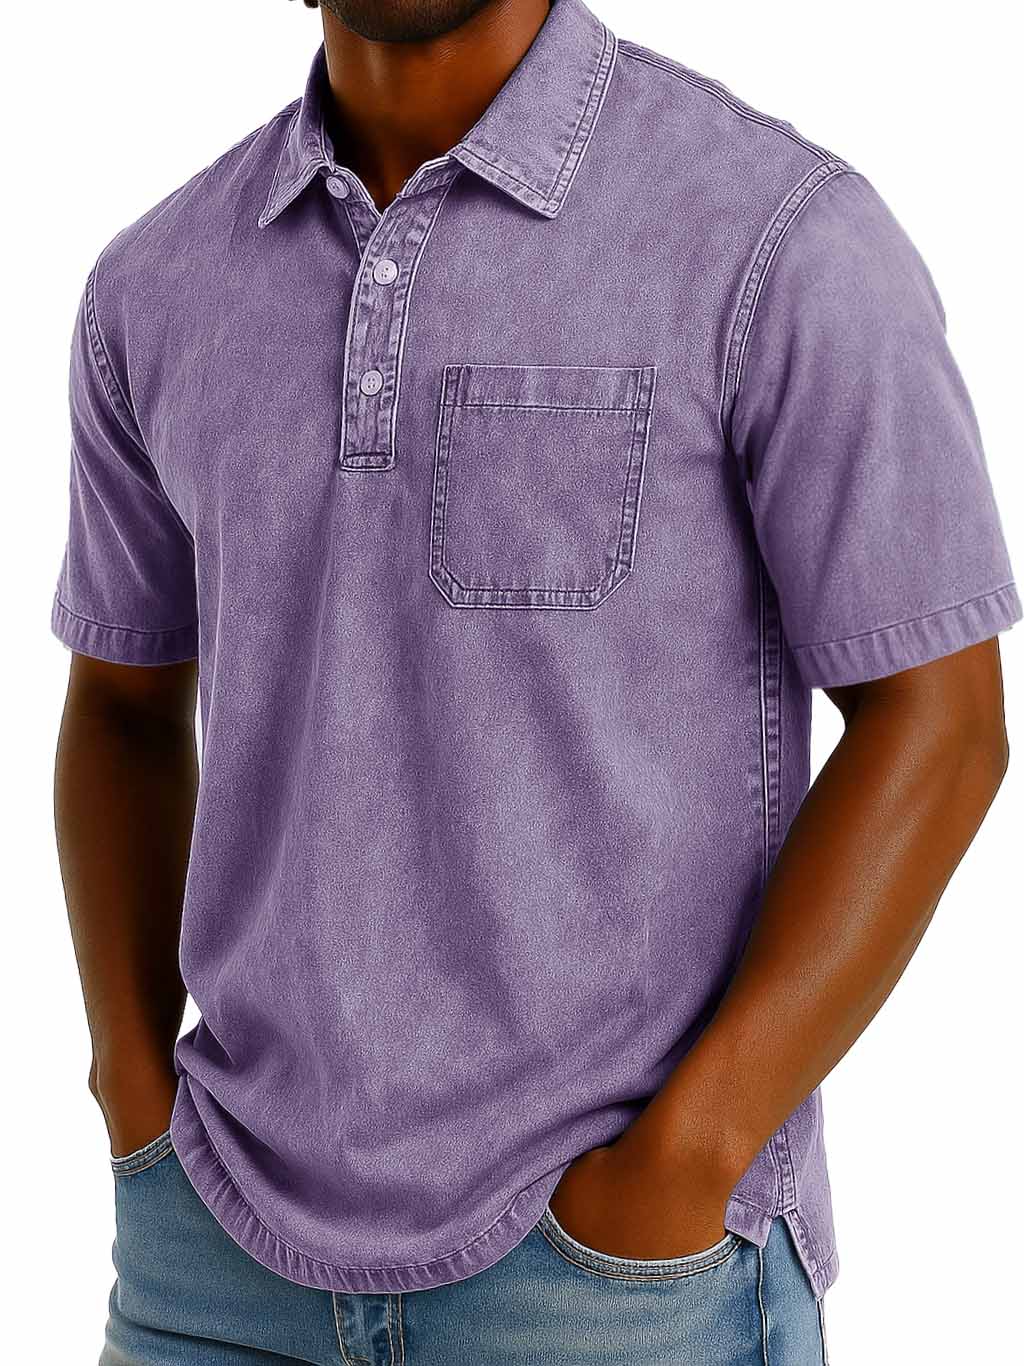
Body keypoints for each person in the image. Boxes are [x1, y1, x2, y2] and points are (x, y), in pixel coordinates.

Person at [52, 0, 1019, 1361]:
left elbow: (941, 716)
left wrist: (691, 1153)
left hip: (610, 1283)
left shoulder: (775, 236)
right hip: (212, 1266)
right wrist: (131, 1083)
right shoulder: (157, 283)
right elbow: (121, 701)